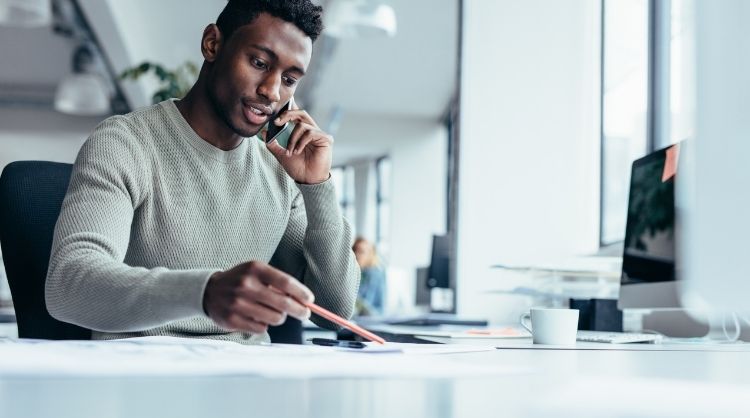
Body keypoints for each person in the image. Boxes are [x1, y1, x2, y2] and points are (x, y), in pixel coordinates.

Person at [45, 0, 360, 344]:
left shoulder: (278, 165)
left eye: (288, 79)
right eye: (258, 62)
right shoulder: (126, 143)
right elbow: (68, 285)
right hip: (143, 378)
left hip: (249, 382)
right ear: (213, 43)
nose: (271, 91)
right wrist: (203, 292)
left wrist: (316, 187)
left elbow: (335, 311)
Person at [352, 238, 386, 316]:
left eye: (361, 252)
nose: (357, 255)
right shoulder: (355, 273)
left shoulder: (375, 274)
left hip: (370, 317)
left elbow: (365, 305)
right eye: (355, 251)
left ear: (370, 255)